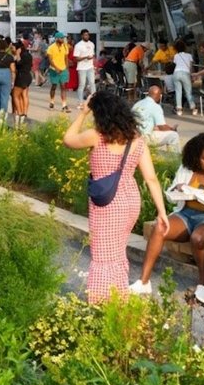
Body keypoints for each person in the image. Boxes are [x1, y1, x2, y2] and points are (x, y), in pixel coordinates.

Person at [62, 90, 170, 304]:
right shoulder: (137, 140)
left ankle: (101, 302)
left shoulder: (97, 136)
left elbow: (68, 140)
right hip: (130, 200)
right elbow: (151, 178)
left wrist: (82, 113)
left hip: (108, 202)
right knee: (118, 252)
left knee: (102, 255)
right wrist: (162, 212)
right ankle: (118, 297)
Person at [131, 133, 204, 302]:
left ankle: (203, 285)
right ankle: (143, 281)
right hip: (186, 214)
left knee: (198, 237)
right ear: (196, 158)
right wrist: (179, 189)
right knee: (160, 227)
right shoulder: (186, 170)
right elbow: (171, 195)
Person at [131, 84, 180, 149]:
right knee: (173, 136)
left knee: (156, 130)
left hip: (134, 135)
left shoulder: (137, 104)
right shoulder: (155, 106)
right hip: (145, 137)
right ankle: (173, 155)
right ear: (159, 96)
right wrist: (172, 129)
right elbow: (162, 127)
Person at [170, 40, 197, 116]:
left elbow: (175, 64)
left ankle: (179, 110)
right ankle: (193, 108)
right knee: (188, 92)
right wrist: (192, 76)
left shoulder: (176, 56)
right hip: (185, 74)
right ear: (185, 47)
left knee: (178, 92)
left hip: (176, 73)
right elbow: (191, 67)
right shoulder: (189, 55)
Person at [46, 32, 71, 112]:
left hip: (63, 69)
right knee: (54, 86)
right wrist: (56, 68)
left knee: (63, 86)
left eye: (63, 38)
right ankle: (52, 102)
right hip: (54, 70)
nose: (63, 39)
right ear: (56, 39)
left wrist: (66, 69)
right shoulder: (51, 48)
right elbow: (50, 60)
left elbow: (66, 58)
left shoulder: (65, 46)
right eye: (61, 38)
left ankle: (64, 105)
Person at [11, 41, 33, 126]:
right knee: (24, 95)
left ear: (18, 49)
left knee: (15, 95)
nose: (12, 49)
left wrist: (17, 54)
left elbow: (19, 63)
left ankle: (20, 113)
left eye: (13, 48)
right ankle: (25, 113)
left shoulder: (21, 55)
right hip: (28, 76)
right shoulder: (29, 55)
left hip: (21, 76)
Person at [73, 29, 96, 103]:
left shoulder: (91, 44)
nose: (87, 36)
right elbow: (76, 58)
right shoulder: (78, 45)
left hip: (90, 67)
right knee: (82, 85)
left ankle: (94, 102)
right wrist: (85, 57)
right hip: (82, 68)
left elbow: (92, 55)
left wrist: (93, 61)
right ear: (82, 36)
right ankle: (80, 102)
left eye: (88, 35)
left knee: (92, 83)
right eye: (85, 35)